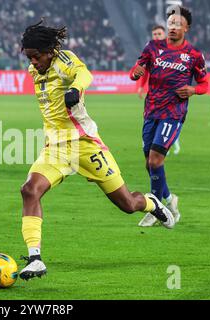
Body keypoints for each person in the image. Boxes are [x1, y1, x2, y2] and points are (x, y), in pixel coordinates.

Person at [18, 20, 175, 281]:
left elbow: (84, 74)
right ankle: (35, 259)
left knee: (127, 203)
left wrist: (75, 89)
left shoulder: (63, 60)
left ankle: (151, 203)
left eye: (35, 57)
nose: (32, 62)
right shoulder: (35, 71)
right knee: (29, 190)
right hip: (55, 148)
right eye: (29, 57)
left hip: (85, 145)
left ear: (48, 51)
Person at [130, 6, 208, 228]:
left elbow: (204, 84)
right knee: (149, 163)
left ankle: (155, 210)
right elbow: (137, 69)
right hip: (151, 111)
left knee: (155, 160)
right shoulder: (153, 47)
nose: (172, 27)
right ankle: (169, 199)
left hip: (173, 113)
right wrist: (136, 72)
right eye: (170, 23)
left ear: (186, 28)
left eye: (177, 24)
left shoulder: (193, 55)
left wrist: (193, 90)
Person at [137, 25, 181, 156]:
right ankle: (158, 145)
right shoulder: (150, 50)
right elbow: (143, 69)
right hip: (154, 97)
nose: (156, 37)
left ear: (165, 35)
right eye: (154, 34)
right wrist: (141, 86)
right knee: (153, 124)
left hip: (170, 96)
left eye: (159, 34)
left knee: (167, 121)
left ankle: (168, 144)